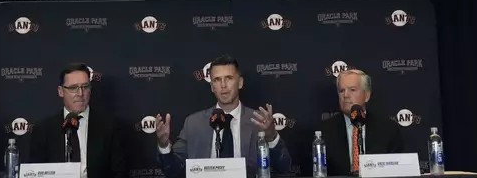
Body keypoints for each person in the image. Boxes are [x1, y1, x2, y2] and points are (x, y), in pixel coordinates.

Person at [155, 55, 292, 178]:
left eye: (229, 78)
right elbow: (172, 171)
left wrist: (271, 137)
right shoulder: (193, 123)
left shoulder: (259, 122)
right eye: (217, 80)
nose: (223, 85)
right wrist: (164, 145)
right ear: (212, 87)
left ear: (240, 82)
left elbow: (284, 167)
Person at [29, 63, 127, 178]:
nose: (80, 94)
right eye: (73, 88)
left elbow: (120, 173)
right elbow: (35, 173)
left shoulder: (110, 127)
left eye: (85, 87)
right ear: (61, 91)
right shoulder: (43, 130)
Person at [320, 69, 404, 176]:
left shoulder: (387, 128)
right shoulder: (324, 131)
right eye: (341, 91)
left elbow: (398, 169)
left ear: (367, 95)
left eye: (352, 90)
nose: (345, 95)